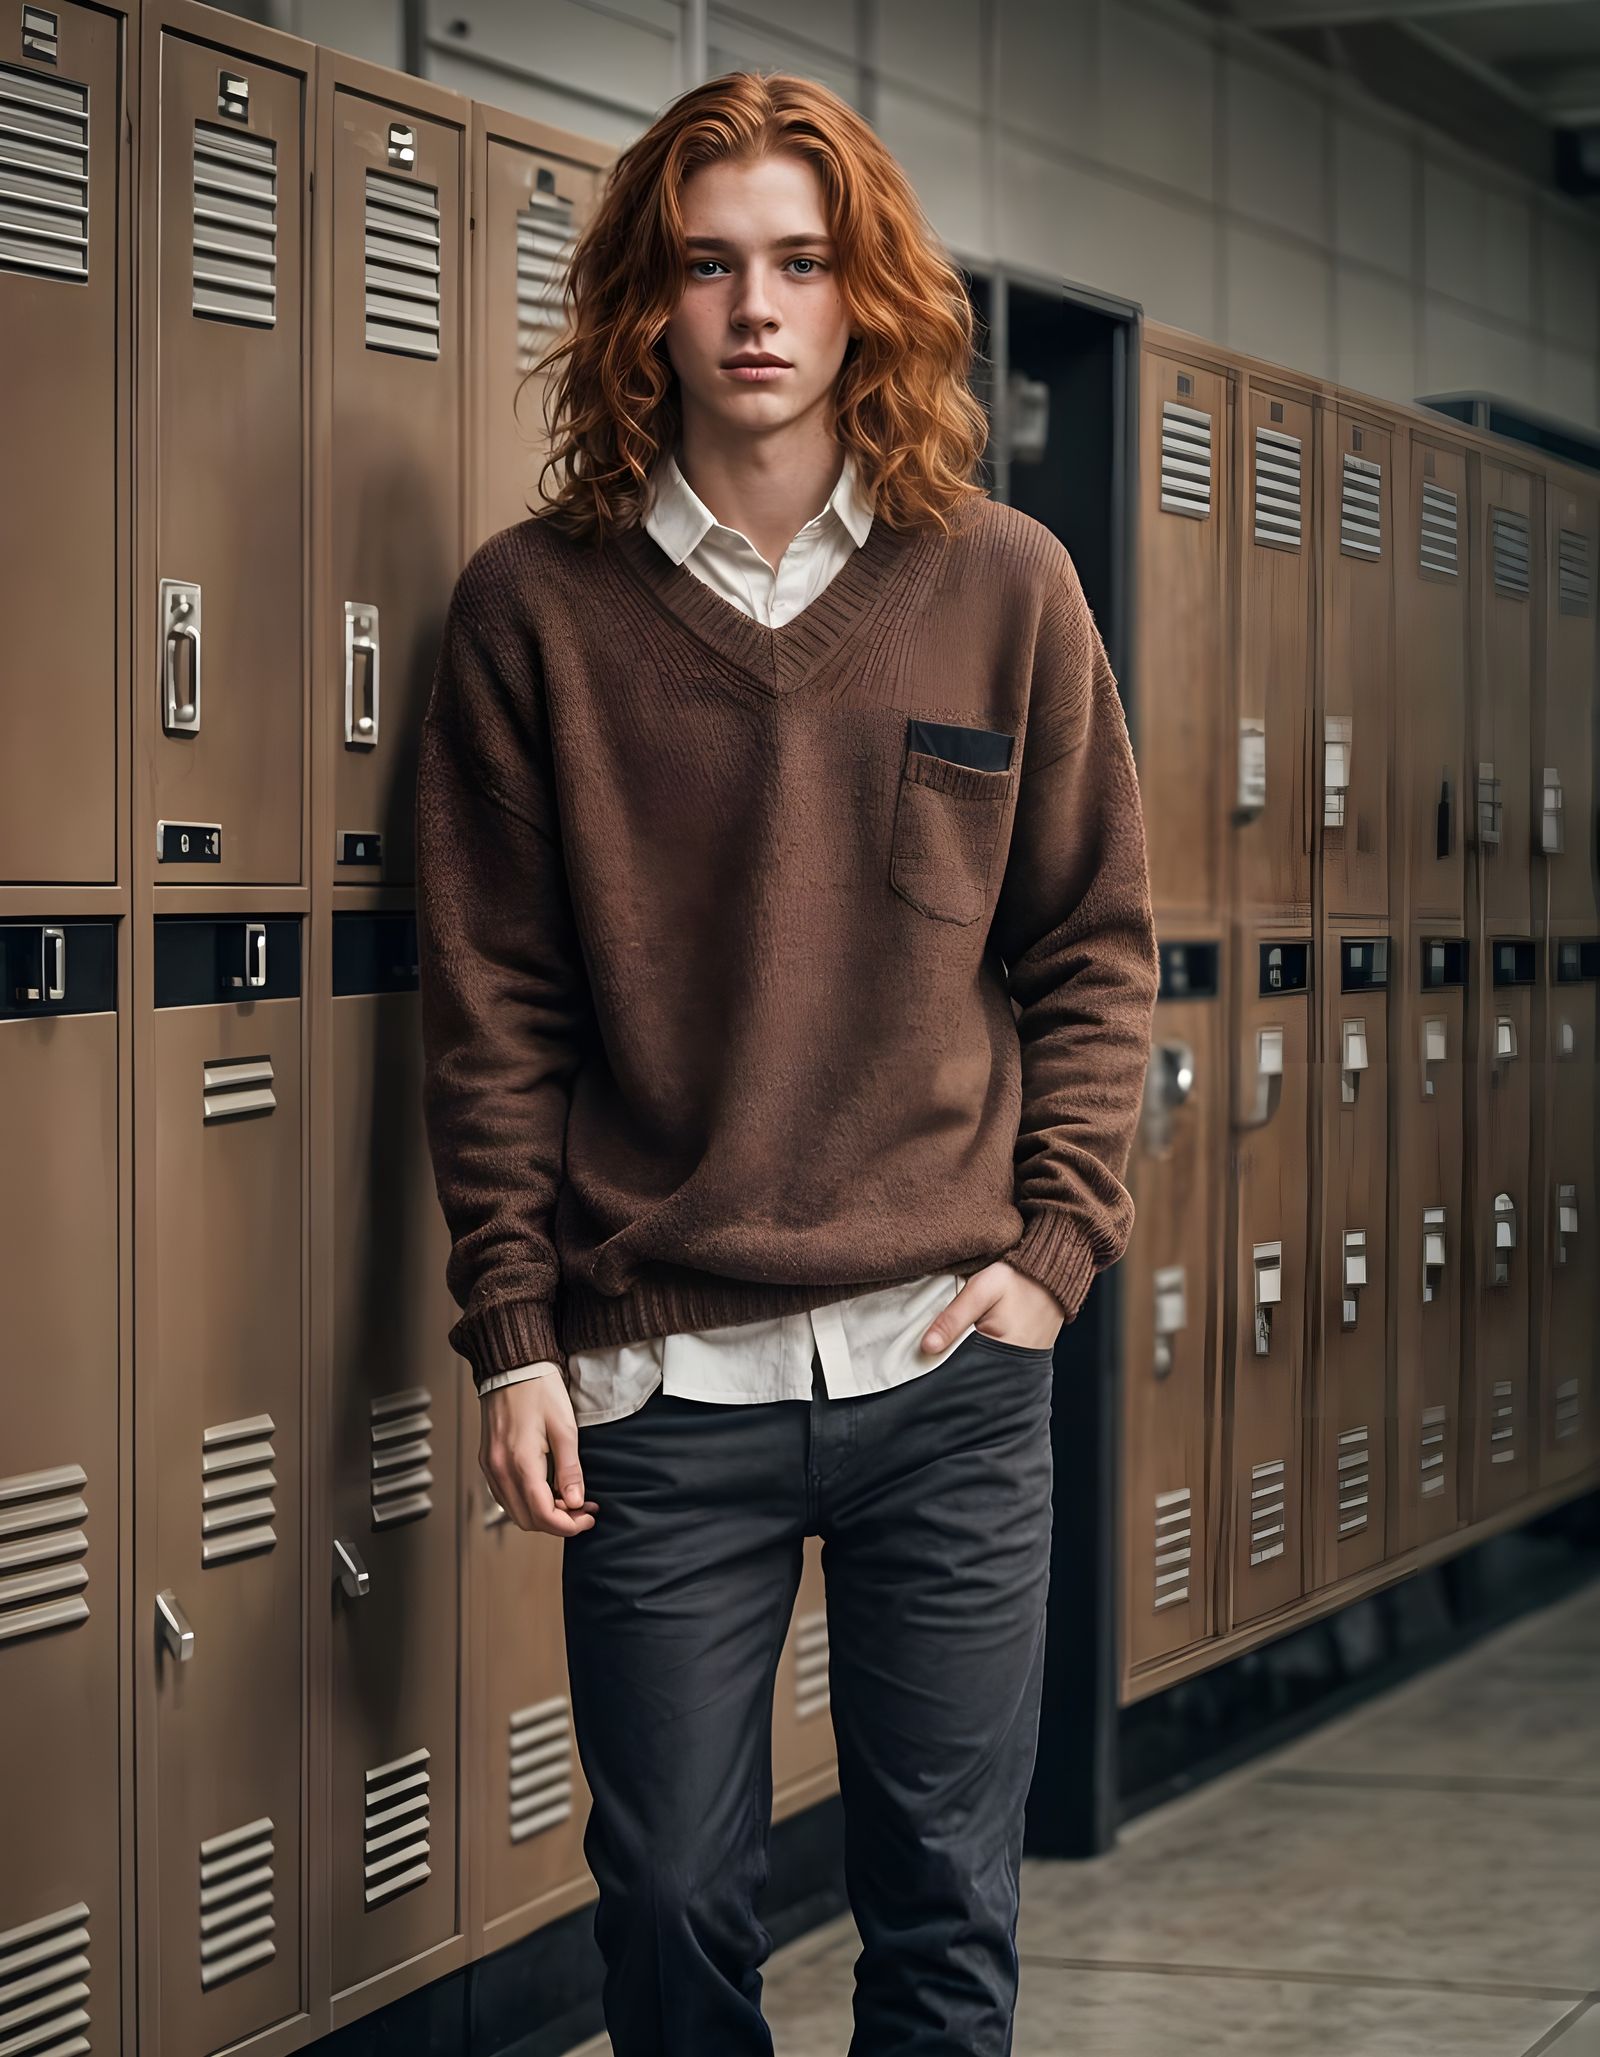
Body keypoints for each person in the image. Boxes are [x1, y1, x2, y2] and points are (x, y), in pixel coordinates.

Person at [415, 66, 1159, 2057]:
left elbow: (1089, 948)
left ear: (867, 302)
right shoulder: (532, 613)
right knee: (667, 1906)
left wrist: (1049, 1258)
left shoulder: (1002, 585)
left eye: (803, 265)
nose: (756, 308)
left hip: (945, 1363)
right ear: (644, 308)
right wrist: (511, 1330)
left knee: (943, 1907)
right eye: (709, 264)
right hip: (659, 1385)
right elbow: (493, 1006)